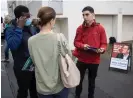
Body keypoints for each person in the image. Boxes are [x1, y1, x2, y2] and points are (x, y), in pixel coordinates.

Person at [28, 6, 71, 98]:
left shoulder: (31, 40)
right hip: (60, 85)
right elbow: (68, 58)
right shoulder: (60, 37)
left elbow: (34, 60)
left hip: (42, 86)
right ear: (52, 20)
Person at [73, 6, 107, 98]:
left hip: (94, 60)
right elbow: (76, 42)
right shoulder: (80, 28)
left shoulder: (100, 28)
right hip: (81, 60)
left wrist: (102, 49)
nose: (84, 17)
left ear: (93, 15)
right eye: (83, 15)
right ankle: (77, 95)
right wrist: (83, 46)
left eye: (87, 14)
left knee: (92, 81)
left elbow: (104, 43)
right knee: (78, 81)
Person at [5, 5, 38, 98]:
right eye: (26, 17)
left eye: (29, 16)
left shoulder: (30, 27)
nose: (28, 19)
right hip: (21, 67)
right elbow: (13, 46)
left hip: (34, 65)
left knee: (34, 90)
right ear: (19, 17)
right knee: (23, 91)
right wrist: (19, 27)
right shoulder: (10, 29)